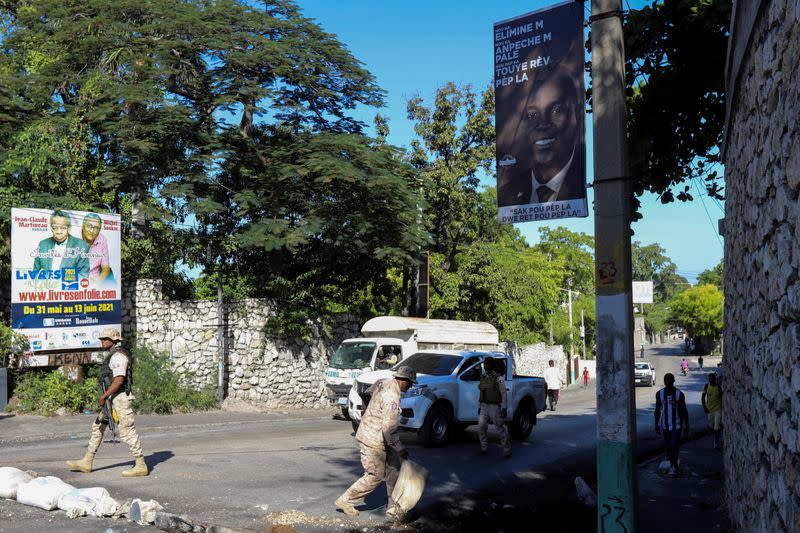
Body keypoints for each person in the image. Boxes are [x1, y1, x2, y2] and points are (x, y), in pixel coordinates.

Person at [335, 366, 416, 519]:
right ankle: (345, 500)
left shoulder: (384, 382)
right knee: (375, 474)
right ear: (403, 380)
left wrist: (371, 411)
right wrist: (399, 448)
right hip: (373, 438)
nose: (411, 386)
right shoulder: (391, 396)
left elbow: (368, 392)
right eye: (410, 382)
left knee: (394, 468)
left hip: (379, 435)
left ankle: (393, 506)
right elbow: (388, 427)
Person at [66, 328, 148, 477]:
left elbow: (118, 380)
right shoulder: (112, 356)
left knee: (127, 431)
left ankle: (141, 464)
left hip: (120, 398)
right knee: (97, 426)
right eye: (102, 339)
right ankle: (87, 461)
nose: (102, 341)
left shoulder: (118, 356)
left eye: (105, 339)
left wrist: (104, 396)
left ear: (114, 340)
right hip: (112, 398)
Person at [498, 70, 584, 207]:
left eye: (556, 110)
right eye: (532, 115)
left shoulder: (579, 181)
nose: (542, 125)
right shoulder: (507, 194)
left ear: (578, 116)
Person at [32, 210, 90, 278]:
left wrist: (59, 282)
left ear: (69, 228)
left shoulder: (82, 245)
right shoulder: (43, 244)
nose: (58, 232)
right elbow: (35, 273)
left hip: (70, 288)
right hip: (45, 287)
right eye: (55, 228)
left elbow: (83, 275)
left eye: (62, 228)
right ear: (51, 228)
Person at [654, 373, 689, 477]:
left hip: (677, 426)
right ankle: (673, 464)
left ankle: (674, 467)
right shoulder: (659, 394)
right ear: (664, 382)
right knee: (668, 447)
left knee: (674, 445)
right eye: (666, 380)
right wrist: (656, 424)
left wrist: (687, 425)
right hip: (664, 426)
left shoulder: (679, 394)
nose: (668, 382)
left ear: (674, 381)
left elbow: (684, 411)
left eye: (670, 380)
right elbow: (657, 410)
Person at [478, 358, 511, 458]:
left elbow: (504, 393)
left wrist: (504, 407)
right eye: (484, 364)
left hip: (495, 407)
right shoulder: (483, 377)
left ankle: (507, 449)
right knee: (481, 428)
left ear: (491, 365)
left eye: (487, 364)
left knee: (499, 428)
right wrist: (479, 406)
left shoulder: (498, 378)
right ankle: (484, 447)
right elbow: (481, 393)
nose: (485, 366)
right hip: (484, 406)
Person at [81, 213, 113, 286]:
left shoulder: (102, 239)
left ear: (99, 230)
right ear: (83, 226)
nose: (92, 231)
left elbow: (105, 268)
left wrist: (98, 281)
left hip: (95, 281)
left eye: (96, 228)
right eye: (89, 226)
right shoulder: (73, 237)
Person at [701, 373, 723, 449]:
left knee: (717, 426)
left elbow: (722, 398)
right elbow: (703, 398)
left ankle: (716, 442)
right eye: (710, 379)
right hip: (710, 409)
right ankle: (714, 435)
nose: (711, 380)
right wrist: (704, 407)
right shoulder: (706, 386)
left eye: (713, 379)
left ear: (715, 379)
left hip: (718, 409)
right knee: (711, 425)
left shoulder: (719, 387)